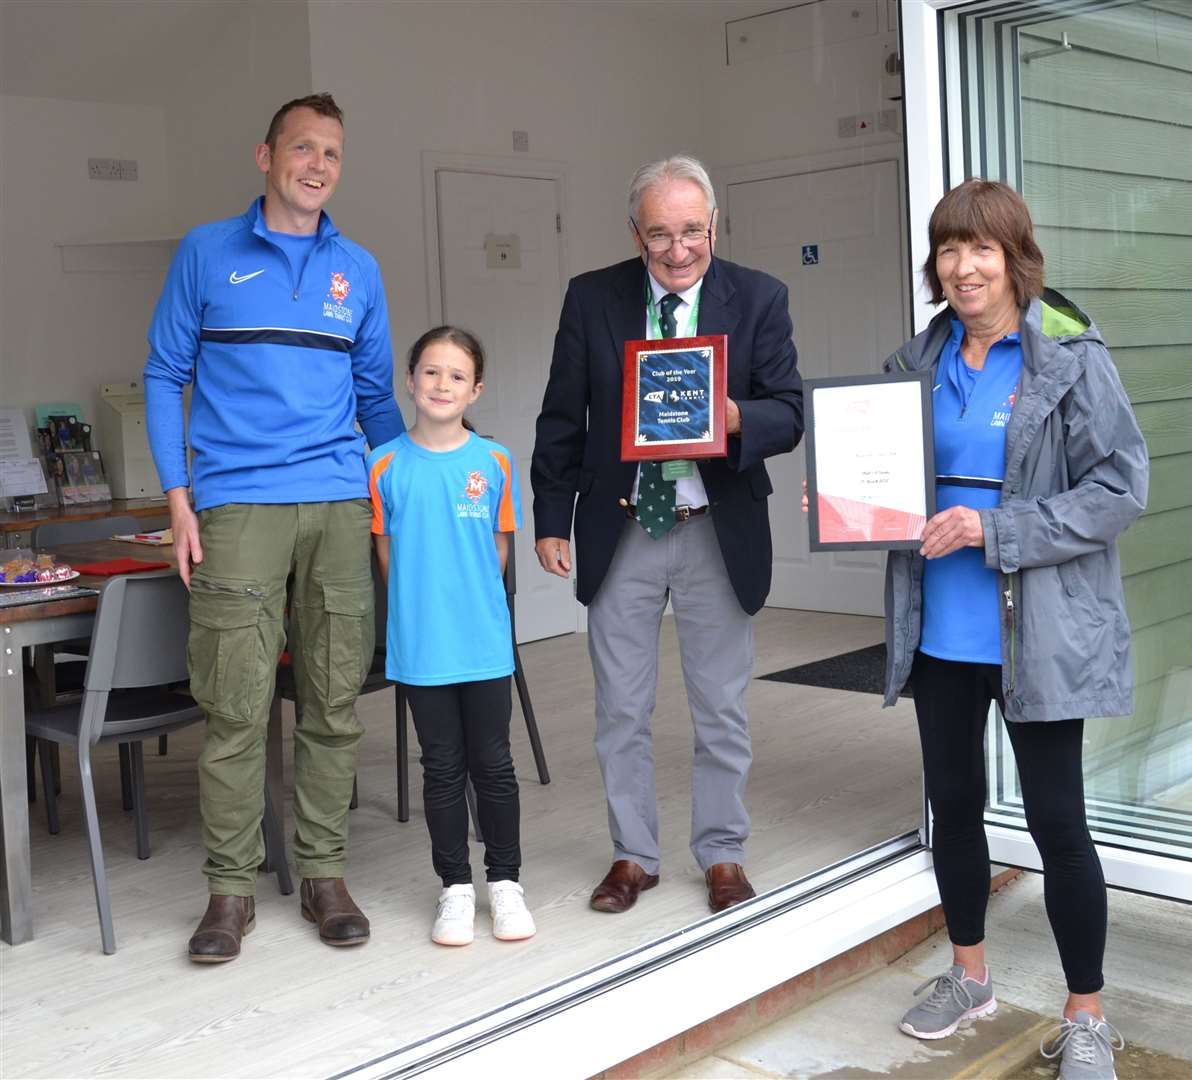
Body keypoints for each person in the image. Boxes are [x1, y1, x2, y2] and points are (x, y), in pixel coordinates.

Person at [882, 180, 1147, 1080]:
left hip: (1036, 631)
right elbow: (890, 478)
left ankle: (1084, 1014)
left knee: (1057, 822)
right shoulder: (915, 363)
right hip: (942, 632)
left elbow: (1119, 492)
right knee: (952, 807)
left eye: (980, 250)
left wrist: (994, 530)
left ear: (1014, 258)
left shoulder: (1069, 356)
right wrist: (847, 503)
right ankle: (970, 976)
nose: (963, 267)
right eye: (949, 250)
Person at [144, 92, 405, 963]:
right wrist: (178, 498)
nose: (317, 165)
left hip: (337, 504)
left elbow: (376, 403)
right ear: (265, 156)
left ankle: (326, 875)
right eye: (302, 149)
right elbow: (161, 374)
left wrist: (415, 490)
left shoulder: (357, 270)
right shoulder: (207, 252)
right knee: (235, 707)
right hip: (237, 505)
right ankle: (230, 893)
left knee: (333, 704)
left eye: (331, 152)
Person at [531, 156, 803, 915]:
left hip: (717, 526)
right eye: (659, 235)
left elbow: (790, 410)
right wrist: (551, 519)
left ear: (713, 223)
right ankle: (632, 855)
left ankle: (722, 852)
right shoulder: (592, 299)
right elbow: (561, 418)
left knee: (719, 705)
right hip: (624, 527)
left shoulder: (757, 298)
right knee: (621, 707)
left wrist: (736, 414)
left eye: (691, 231)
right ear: (635, 233)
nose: (678, 250)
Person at [368, 327, 535, 947]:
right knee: (440, 768)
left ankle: (506, 884)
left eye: (456, 376)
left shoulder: (493, 461)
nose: (442, 384)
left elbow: (497, 549)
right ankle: (455, 889)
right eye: (431, 372)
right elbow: (387, 555)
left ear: (476, 390)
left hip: (484, 643)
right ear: (410, 381)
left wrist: (464, 603)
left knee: (493, 763)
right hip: (421, 647)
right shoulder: (381, 464)